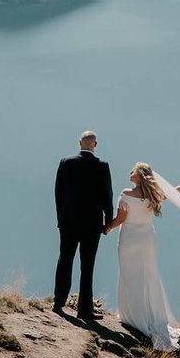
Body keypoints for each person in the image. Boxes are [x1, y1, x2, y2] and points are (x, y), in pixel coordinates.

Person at [104, 162, 180, 350]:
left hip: (129, 238)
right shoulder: (154, 195)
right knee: (148, 276)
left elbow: (120, 219)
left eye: (133, 171)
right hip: (147, 238)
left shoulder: (126, 194)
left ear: (140, 176)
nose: (130, 173)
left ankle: (132, 316)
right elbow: (176, 191)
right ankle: (150, 316)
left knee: (130, 274)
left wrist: (107, 228)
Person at [53, 129, 113, 323]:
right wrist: (108, 222)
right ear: (95, 145)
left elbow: (59, 193)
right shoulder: (102, 166)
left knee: (65, 259)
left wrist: (61, 218)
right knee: (87, 266)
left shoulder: (66, 162)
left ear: (79, 143)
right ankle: (84, 310)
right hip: (92, 224)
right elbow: (107, 196)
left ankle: (58, 302)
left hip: (68, 222)